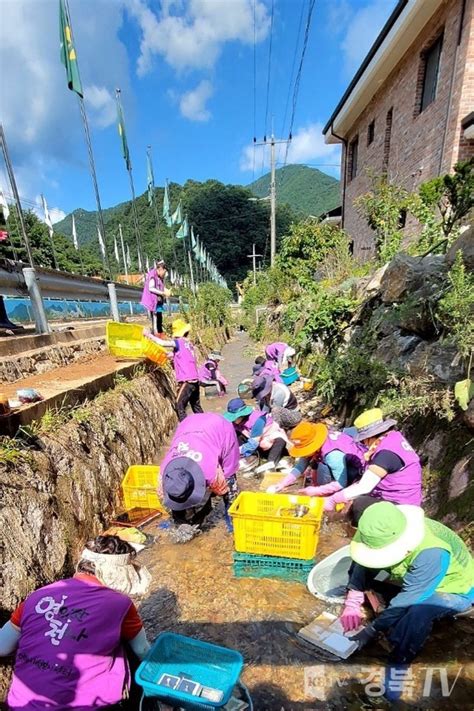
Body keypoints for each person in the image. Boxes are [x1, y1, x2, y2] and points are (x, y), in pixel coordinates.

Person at [0, 535, 151, 710]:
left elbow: (3, 647)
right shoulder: (121, 604)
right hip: (88, 706)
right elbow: (142, 650)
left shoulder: (38, 595)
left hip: (22, 705)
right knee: (127, 646)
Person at [341, 502, 474, 699]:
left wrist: (371, 630)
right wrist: (353, 598)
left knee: (415, 614)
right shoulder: (388, 529)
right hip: (416, 579)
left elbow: (409, 599)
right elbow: (363, 561)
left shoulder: (432, 552)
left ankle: (398, 667)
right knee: (376, 592)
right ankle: (387, 622)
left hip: (455, 590)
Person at [320, 408, 422, 523]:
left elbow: (364, 486)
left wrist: (334, 499)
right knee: (353, 498)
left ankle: (359, 534)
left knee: (359, 504)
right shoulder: (394, 438)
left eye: (364, 440)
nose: (363, 443)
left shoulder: (386, 454)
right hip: (404, 500)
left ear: (370, 437)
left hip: (402, 506)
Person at [160, 412, 240, 527]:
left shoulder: (211, 474)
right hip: (187, 425)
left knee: (229, 482)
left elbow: (223, 490)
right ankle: (201, 513)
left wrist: (215, 492)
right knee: (185, 494)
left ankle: (232, 523)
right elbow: (167, 498)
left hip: (219, 427)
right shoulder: (164, 473)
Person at [267, 421, 366, 494]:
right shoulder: (318, 441)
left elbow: (341, 483)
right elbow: (300, 466)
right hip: (344, 463)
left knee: (323, 469)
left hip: (360, 471)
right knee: (317, 467)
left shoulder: (333, 456)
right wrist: (282, 483)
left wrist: (316, 490)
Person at [224, 397, 290, 472]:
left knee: (279, 441)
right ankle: (249, 457)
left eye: (234, 417)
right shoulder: (237, 422)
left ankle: (271, 463)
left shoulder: (258, 420)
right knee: (235, 433)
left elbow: (253, 443)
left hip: (269, 441)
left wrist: (237, 451)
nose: (232, 420)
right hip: (257, 442)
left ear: (242, 415)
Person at [168, 318, 203, 422]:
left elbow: (162, 343)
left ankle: (185, 428)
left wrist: (148, 335)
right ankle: (205, 424)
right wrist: (172, 355)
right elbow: (184, 357)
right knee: (196, 406)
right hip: (195, 381)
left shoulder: (178, 342)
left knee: (179, 405)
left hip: (187, 382)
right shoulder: (189, 344)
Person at [140, 259, 170, 336]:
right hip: (153, 300)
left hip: (158, 300)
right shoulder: (153, 275)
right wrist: (162, 293)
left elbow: (160, 286)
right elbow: (151, 288)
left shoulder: (159, 277)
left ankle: (159, 332)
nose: (164, 274)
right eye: (164, 272)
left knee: (159, 316)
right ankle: (156, 333)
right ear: (160, 269)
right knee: (155, 317)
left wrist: (165, 291)